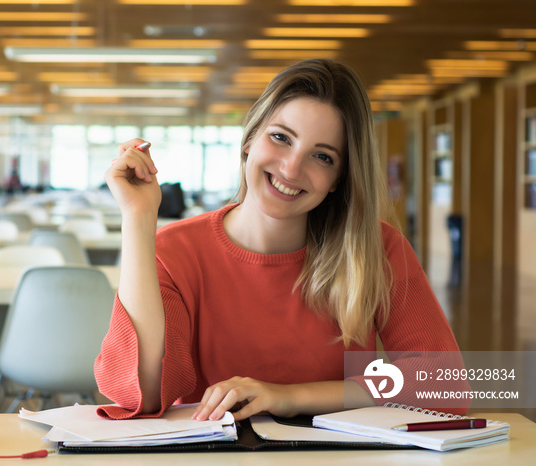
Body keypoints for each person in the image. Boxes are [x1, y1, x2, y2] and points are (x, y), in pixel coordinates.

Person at [95, 58, 462, 422]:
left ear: (339, 179)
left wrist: (290, 396)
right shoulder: (174, 252)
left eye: (322, 156)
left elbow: (444, 386)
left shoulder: (375, 248)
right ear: (249, 140)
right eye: (281, 138)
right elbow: (141, 394)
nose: (291, 168)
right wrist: (139, 218)